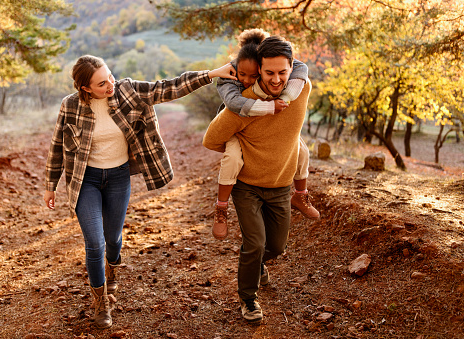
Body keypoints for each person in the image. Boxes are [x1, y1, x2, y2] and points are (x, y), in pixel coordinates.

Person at [43, 55, 236, 329]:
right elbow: (57, 147)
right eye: (101, 84)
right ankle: (101, 303)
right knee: (95, 243)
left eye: (110, 76)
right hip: (85, 180)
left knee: (113, 239)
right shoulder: (70, 106)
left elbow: (170, 87)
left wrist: (214, 73)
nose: (110, 84)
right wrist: (50, 185)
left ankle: (113, 268)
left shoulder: (128, 91)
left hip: (119, 177)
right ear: (85, 88)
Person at [202, 36, 312, 323]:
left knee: (276, 246)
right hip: (247, 187)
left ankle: (256, 265)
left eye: (282, 72)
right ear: (259, 70)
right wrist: (240, 149)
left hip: (280, 185)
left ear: (292, 69)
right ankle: (248, 299)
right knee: (255, 243)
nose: (276, 79)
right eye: (269, 73)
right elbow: (211, 139)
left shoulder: (302, 90)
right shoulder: (242, 104)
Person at [211, 29, 319, 240]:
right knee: (232, 157)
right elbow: (233, 103)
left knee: (301, 150)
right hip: (237, 124)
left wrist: (286, 96)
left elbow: (300, 67)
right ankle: (221, 208)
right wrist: (268, 107)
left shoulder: (281, 70)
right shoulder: (230, 74)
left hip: (268, 123)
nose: (248, 79)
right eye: (244, 74)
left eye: (254, 75)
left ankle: (300, 195)